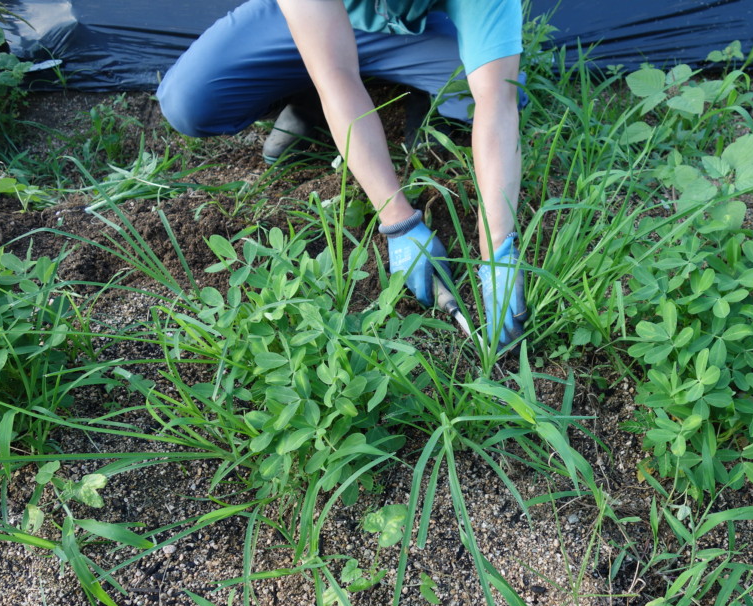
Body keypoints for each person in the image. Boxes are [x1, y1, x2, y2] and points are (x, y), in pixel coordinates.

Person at [156, 0, 528, 348]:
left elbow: (496, 98)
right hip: (311, 19)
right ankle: (306, 92)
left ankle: (415, 90)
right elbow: (335, 73)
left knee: (493, 85)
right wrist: (399, 221)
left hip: (412, 30)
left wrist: (498, 252)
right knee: (191, 101)